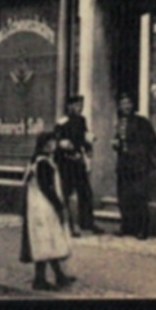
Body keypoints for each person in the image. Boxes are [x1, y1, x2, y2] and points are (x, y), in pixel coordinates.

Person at [21, 132, 76, 291]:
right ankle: (40, 280)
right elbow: (47, 188)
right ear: (45, 145)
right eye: (52, 142)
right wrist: (59, 205)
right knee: (45, 240)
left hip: (37, 205)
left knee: (49, 240)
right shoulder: (43, 163)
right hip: (43, 206)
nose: (54, 145)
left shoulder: (36, 160)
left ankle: (59, 275)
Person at [112, 95, 156, 239]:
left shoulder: (142, 122)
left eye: (128, 103)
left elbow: (153, 140)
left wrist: (139, 151)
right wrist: (116, 144)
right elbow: (119, 141)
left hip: (139, 166)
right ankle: (127, 226)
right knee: (124, 197)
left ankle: (142, 229)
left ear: (133, 105)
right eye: (122, 103)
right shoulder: (119, 123)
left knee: (139, 196)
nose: (125, 106)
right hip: (124, 165)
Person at [54, 94, 101, 235]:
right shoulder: (62, 121)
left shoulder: (81, 120)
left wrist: (88, 147)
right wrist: (62, 144)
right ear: (69, 106)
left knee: (85, 192)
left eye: (81, 106)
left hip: (78, 161)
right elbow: (56, 139)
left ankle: (87, 222)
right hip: (66, 162)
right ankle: (66, 224)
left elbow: (84, 136)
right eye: (76, 105)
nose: (79, 108)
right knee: (66, 193)